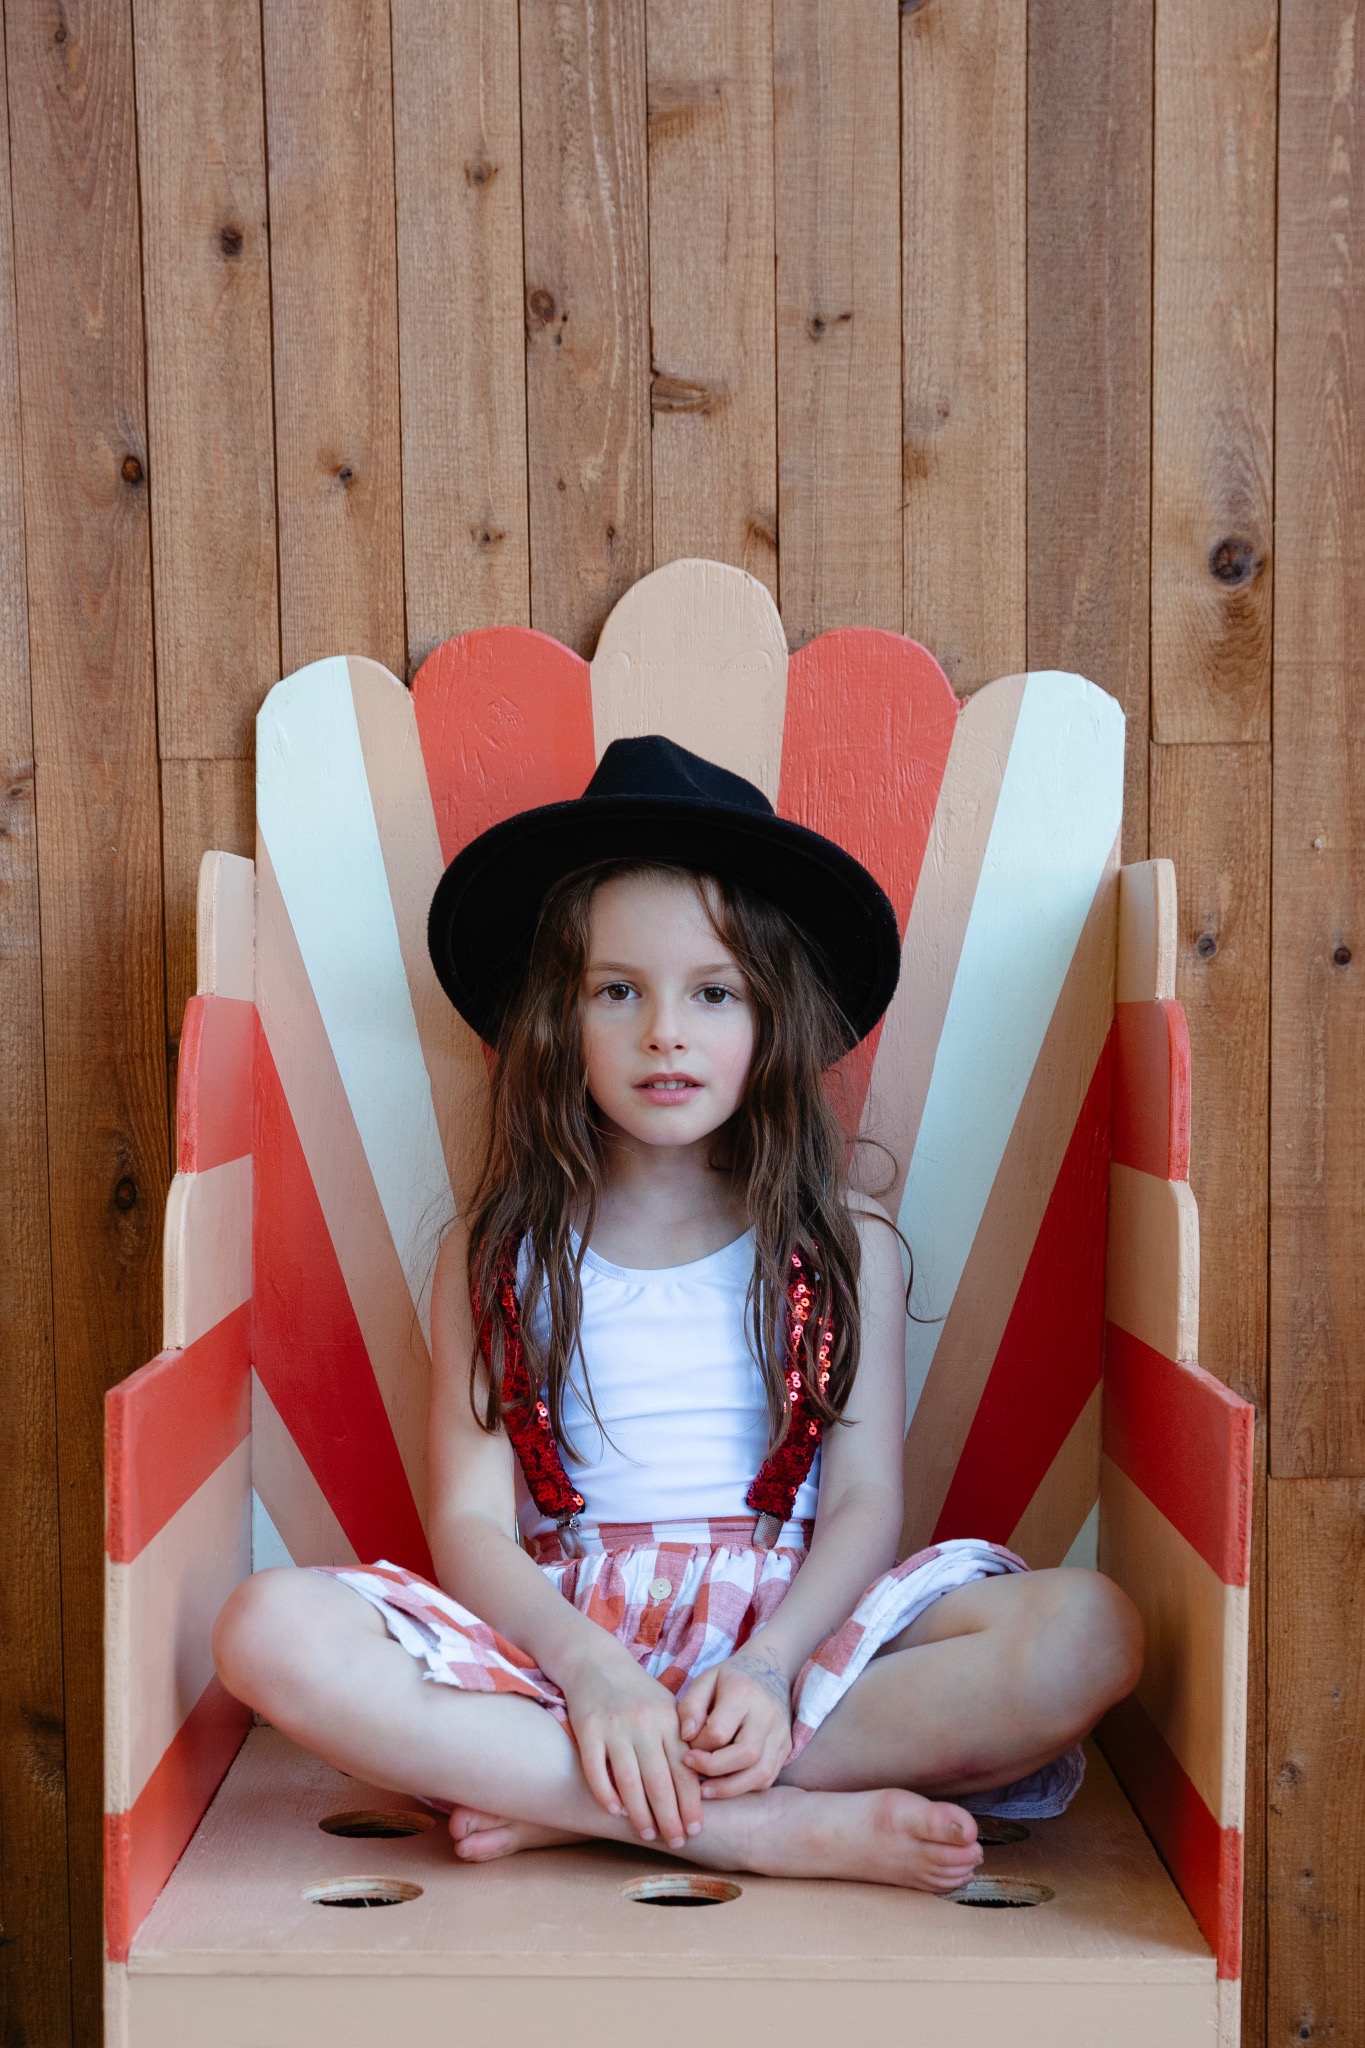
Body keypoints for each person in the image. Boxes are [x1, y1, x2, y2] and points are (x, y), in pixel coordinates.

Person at [214, 735, 1142, 1894]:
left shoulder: (841, 1243)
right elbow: (471, 1522)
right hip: (563, 1659)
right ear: (558, 1019)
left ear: (772, 1017)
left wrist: (771, 1666)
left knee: (1089, 1631)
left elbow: (864, 1501)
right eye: (619, 990)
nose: (666, 1029)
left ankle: (567, 1804)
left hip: (789, 1652)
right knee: (267, 1627)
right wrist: (593, 1673)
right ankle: (748, 1827)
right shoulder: (497, 1253)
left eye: (714, 991)